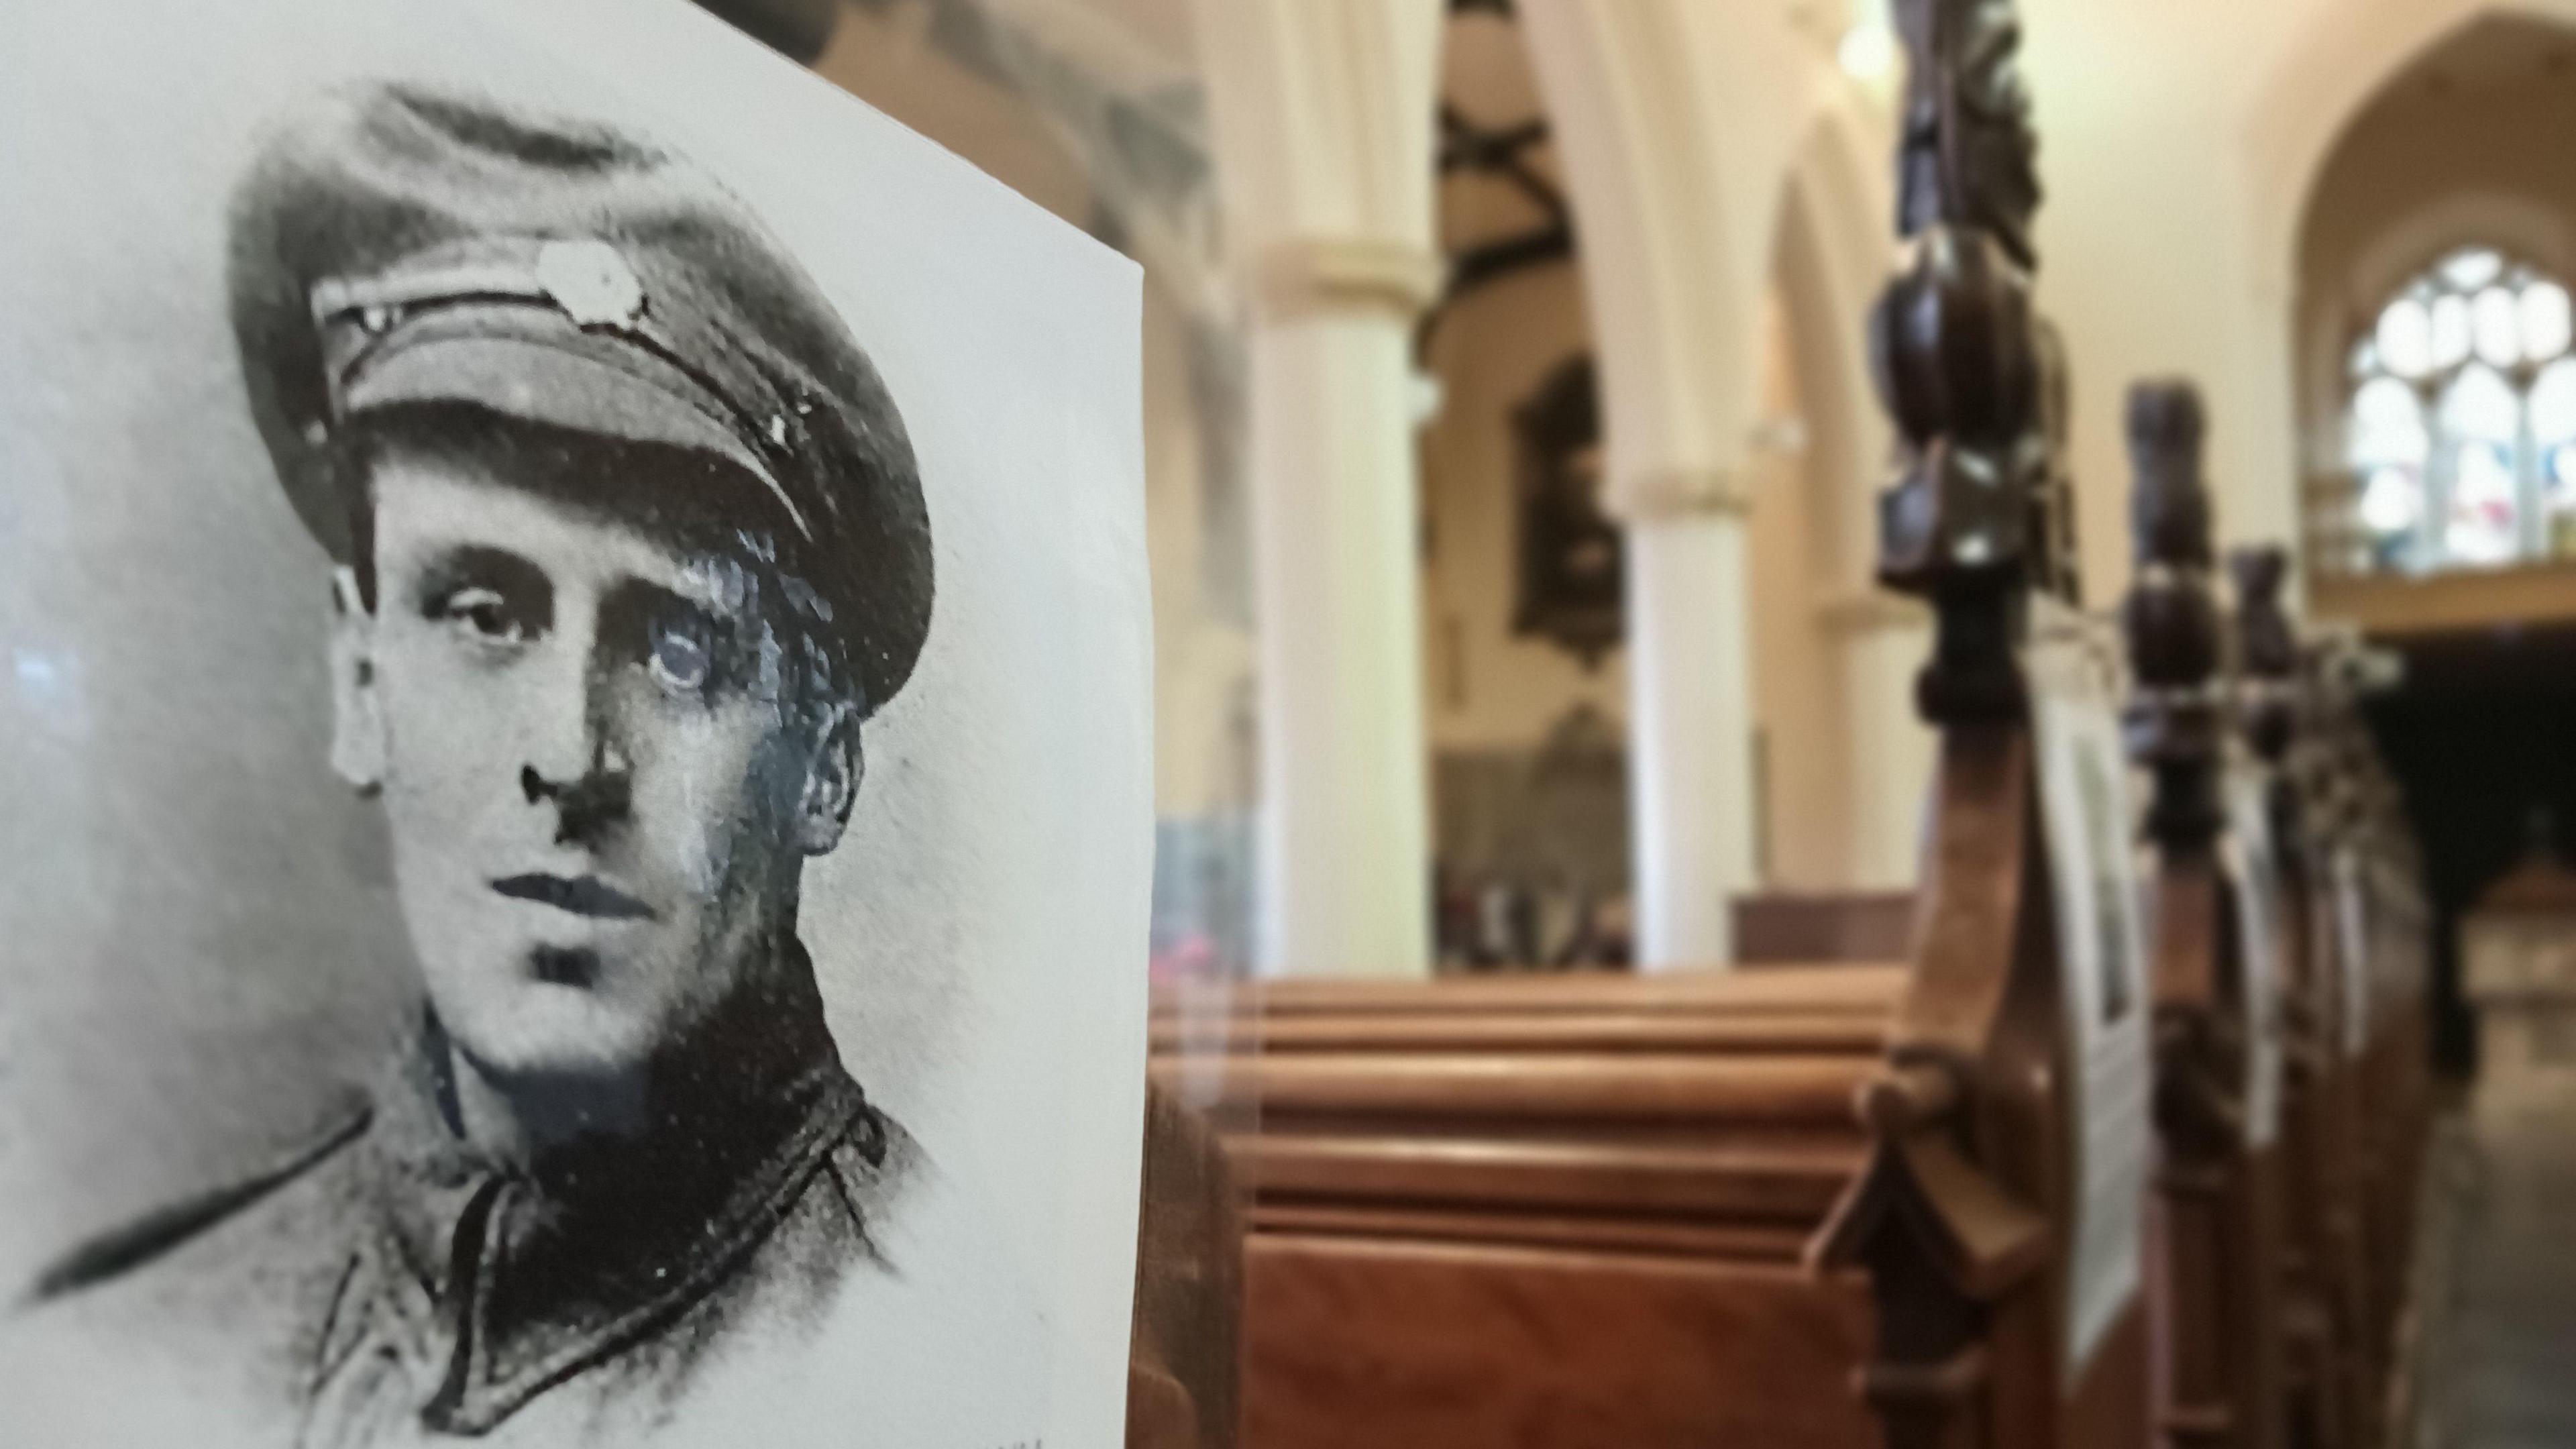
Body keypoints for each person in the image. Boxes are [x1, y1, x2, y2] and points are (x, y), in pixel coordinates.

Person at [13, 81, 958, 1445]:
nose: (572, 756)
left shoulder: (950, 1354)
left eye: (683, 648)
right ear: (358, 682)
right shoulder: (125, 1345)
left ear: (822, 767)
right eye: (484, 614)